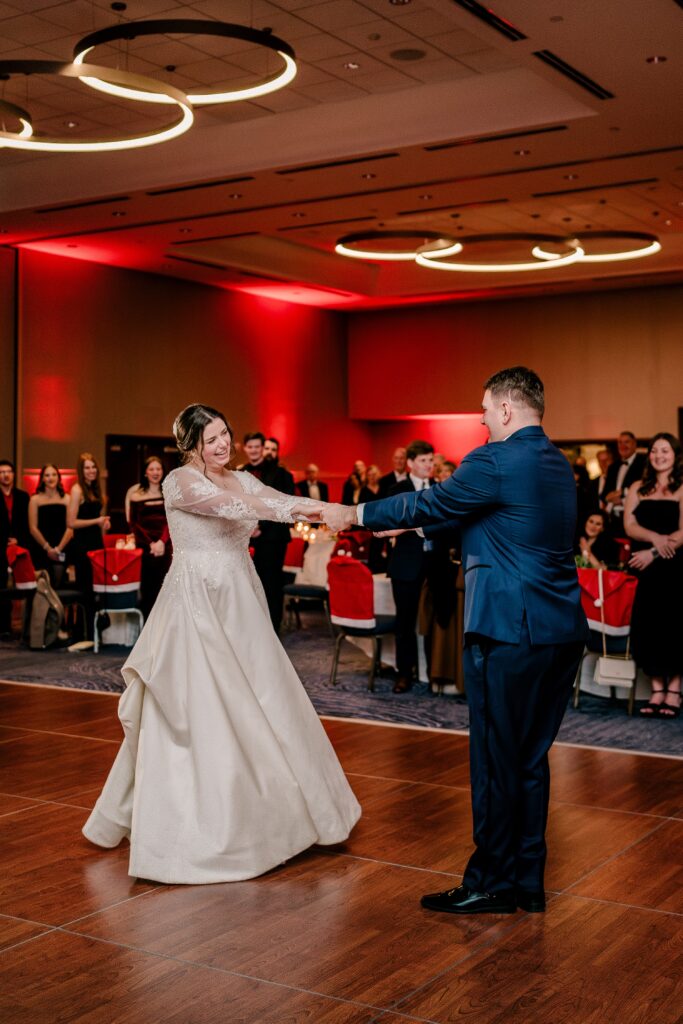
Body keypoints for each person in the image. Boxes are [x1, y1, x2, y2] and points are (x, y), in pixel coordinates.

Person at [322, 367, 587, 915]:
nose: (483, 419)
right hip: (559, 631)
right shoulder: (559, 467)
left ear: (508, 410)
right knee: (530, 761)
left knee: (494, 759)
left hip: (507, 630)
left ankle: (490, 882)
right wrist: (418, 528)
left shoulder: (492, 459)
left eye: (486, 409)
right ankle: (525, 883)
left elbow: (435, 503)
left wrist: (355, 513)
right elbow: (495, 521)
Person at [83, 403, 359, 883]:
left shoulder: (244, 478)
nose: (222, 444)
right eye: (211, 438)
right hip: (197, 599)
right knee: (203, 701)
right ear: (190, 444)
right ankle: (204, 827)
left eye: (225, 434)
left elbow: (273, 497)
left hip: (241, 595)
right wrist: (318, 511)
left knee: (265, 693)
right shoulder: (180, 481)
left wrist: (340, 512)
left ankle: (282, 813)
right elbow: (244, 509)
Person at [624, 433, 683, 719]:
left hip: (674, 569)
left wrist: (655, 552)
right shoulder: (637, 487)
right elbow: (630, 525)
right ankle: (656, 689)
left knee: (673, 626)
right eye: (655, 451)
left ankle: (674, 690)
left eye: (665, 450)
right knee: (648, 627)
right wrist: (656, 539)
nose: (659, 455)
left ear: (675, 454)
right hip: (645, 571)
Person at [383, 440, 436, 693]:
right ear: (411, 463)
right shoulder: (397, 489)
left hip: (436, 564)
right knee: (404, 622)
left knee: (436, 621)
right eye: (424, 460)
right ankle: (404, 673)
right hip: (406, 564)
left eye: (431, 460)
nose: (429, 465)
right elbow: (389, 521)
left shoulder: (440, 489)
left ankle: (435, 673)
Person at [240, 432, 295, 631]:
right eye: (250, 447)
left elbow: (284, 506)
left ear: (263, 449)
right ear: (245, 449)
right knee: (249, 584)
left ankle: (272, 628)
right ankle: (253, 628)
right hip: (247, 539)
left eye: (257, 447)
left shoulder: (281, 475)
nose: (254, 450)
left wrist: (260, 526)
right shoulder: (240, 473)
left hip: (273, 538)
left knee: (271, 583)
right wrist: (248, 527)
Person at [125, 457, 172, 619]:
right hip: (145, 546)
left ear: (163, 471)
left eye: (158, 469)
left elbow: (172, 521)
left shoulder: (169, 493)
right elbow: (134, 524)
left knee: (166, 585)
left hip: (165, 545)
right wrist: (151, 543)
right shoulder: (136, 495)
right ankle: (148, 626)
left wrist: (161, 542)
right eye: (151, 469)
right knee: (148, 586)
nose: (155, 472)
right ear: (145, 472)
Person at [67, 453, 110, 599]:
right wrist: (96, 521)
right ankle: (84, 621)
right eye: (87, 468)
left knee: (97, 586)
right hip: (82, 545)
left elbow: (97, 518)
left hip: (96, 542)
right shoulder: (77, 490)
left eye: (93, 467)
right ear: (81, 470)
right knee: (86, 589)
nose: (91, 470)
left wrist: (104, 523)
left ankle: (95, 620)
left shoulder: (96, 489)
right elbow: (71, 522)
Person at [28, 464, 73, 587]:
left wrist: (58, 549)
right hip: (41, 548)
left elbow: (71, 527)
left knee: (59, 585)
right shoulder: (35, 500)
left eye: (54, 474)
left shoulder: (68, 499)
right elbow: (33, 528)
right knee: (42, 587)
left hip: (62, 547)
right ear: (42, 478)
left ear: (59, 477)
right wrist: (48, 548)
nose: (50, 478)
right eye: (47, 475)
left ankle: (58, 607)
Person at [0, 459, 31, 636]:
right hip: (1, 546)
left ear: (13, 474)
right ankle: (4, 626)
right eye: (1, 472)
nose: (5, 475)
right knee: (1, 586)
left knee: (24, 584)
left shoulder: (22, 496)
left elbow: (26, 523)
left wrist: (18, 540)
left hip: (20, 545)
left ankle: (24, 627)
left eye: (8, 471)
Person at [603, 431, 647, 532]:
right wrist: (609, 497)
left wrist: (623, 493)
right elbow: (604, 494)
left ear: (634, 444)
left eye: (627, 442)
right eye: (620, 442)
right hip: (613, 518)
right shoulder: (613, 467)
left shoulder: (644, 463)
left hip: (636, 517)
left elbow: (646, 487)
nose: (623, 446)